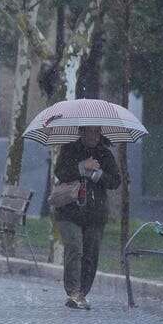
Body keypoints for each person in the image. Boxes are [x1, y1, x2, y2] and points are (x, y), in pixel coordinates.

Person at [53, 125, 121, 310]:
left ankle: (82, 293)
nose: (94, 135)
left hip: (95, 213)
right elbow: (61, 173)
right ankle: (73, 292)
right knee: (74, 248)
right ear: (82, 132)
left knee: (91, 254)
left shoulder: (105, 154)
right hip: (69, 211)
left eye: (97, 131)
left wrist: (97, 174)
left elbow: (115, 181)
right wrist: (82, 167)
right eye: (90, 131)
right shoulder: (69, 149)